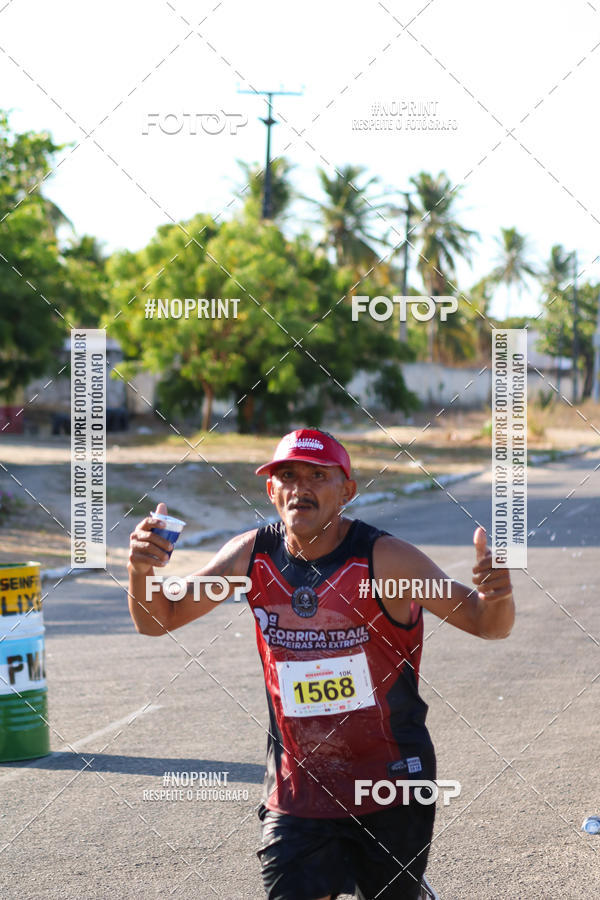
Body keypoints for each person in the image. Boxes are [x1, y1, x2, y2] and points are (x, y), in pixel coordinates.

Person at [127, 428, 514, 900]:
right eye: (287, 475)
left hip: (390, 781)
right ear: (271, 491)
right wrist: (140, 570)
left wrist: (498, 593)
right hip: (299, 788)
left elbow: (485, 622)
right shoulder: (253, 557)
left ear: (346, 490)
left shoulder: (386, 561)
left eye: (317, 475)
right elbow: (159, 618)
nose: (299, 487)